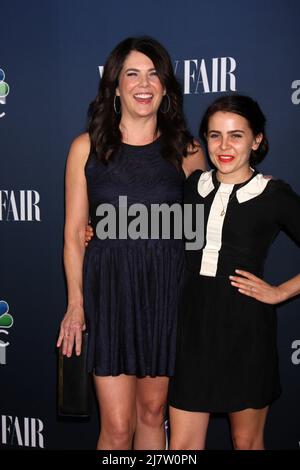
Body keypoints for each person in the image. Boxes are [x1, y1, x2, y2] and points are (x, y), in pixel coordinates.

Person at [56, 36, 205, 450]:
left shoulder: (187, 151)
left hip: (165, 294)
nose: (144, 83)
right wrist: (75, 303)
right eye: (132, 74)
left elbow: (206, 224)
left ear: (166, 87)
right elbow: (73, 233)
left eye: (154, 74)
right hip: (109, 295)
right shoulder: (86, 148)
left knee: (153, 414)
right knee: (118, 427)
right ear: (115, 86)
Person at [168, 94, 300, 450]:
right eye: (215, 135)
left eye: (236, 135)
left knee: (246, 441)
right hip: (192, 333)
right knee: (180, 448)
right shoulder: (192, 188)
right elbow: (149, 227)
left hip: (246, 334)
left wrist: (281, 292)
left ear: (257, 140)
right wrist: (98, 230)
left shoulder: (273, 194)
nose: (224, 146)